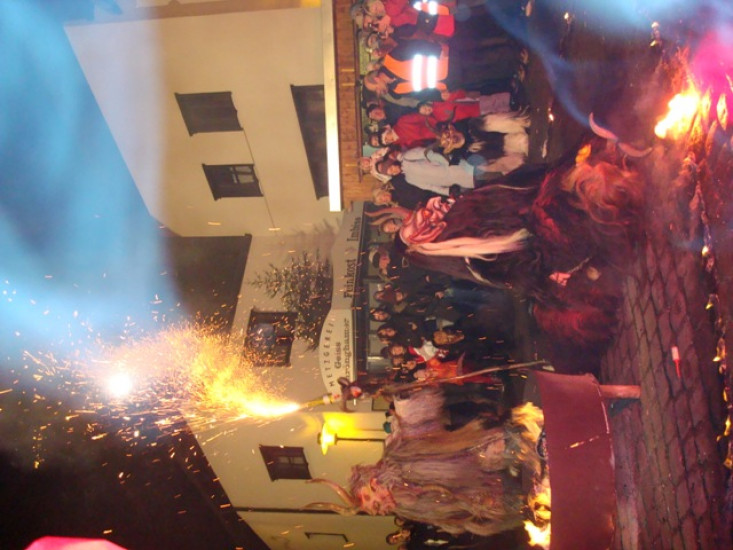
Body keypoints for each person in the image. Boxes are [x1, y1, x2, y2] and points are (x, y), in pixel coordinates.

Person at [306, 386, 544, 537]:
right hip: (492, 494)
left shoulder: (399, 453)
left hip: (485, 453)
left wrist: (398, 394)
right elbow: (454, 516)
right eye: (377, 510)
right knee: (533, 505)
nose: (383, 508)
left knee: (522, 447)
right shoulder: (411, 507)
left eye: (375, 501)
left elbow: (415, 423)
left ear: (375, 482)